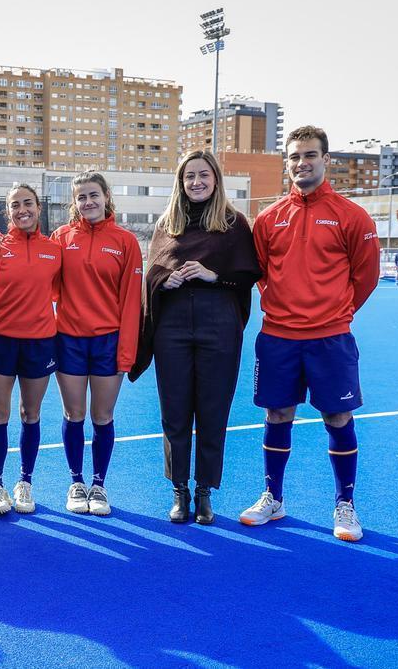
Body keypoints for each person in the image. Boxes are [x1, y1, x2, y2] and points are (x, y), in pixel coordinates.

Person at [239, 125, 380, 542]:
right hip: (278, 336)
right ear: (288, 162)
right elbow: (261, 273)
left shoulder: (351, 216)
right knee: (277, 414)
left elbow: (366, 277)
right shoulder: (269, 218)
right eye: (295, 156)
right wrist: (283, 305)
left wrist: (334, 311)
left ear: (326, 160)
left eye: (310, 155)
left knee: (337, 417)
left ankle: (346, 504)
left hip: (330, 338)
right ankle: (274, 497)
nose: (302, 163)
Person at [130, 151, 260, 524]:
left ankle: (204, 491)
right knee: (175, 411)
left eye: (204, 175)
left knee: (212, 410)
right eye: (189, 177)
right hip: (172, 326)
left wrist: (212, 274)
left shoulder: (234, 223)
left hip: (218, 323)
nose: (197, 182)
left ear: (216, 179)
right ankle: (179, 490)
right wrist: (162, 280)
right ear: (181, 182)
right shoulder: (166, 224)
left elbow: (249, 273)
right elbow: (151, 272)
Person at [49, 170, 143, 517]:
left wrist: (127, 351)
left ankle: (99, 484)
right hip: (69, 340)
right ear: (74, 203)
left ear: (106, 197)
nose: (88, 202)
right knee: (74, 414)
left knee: (102, 416)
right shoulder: (60, 237)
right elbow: (43, 279)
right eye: (81, 197)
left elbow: (132, 301)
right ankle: (76, 482)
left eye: (93, 195)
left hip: (108, 342)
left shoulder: (125, 241)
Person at [0, 183, 62, 516]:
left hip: (40, 343)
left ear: (39, 208)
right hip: (1, 342)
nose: (22, 210)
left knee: (31, 414)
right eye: (15, 205)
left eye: (28, 203)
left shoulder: (54, 251)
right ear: (8, 212)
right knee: (0, 415)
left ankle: (24, 482)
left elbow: (57, 292)